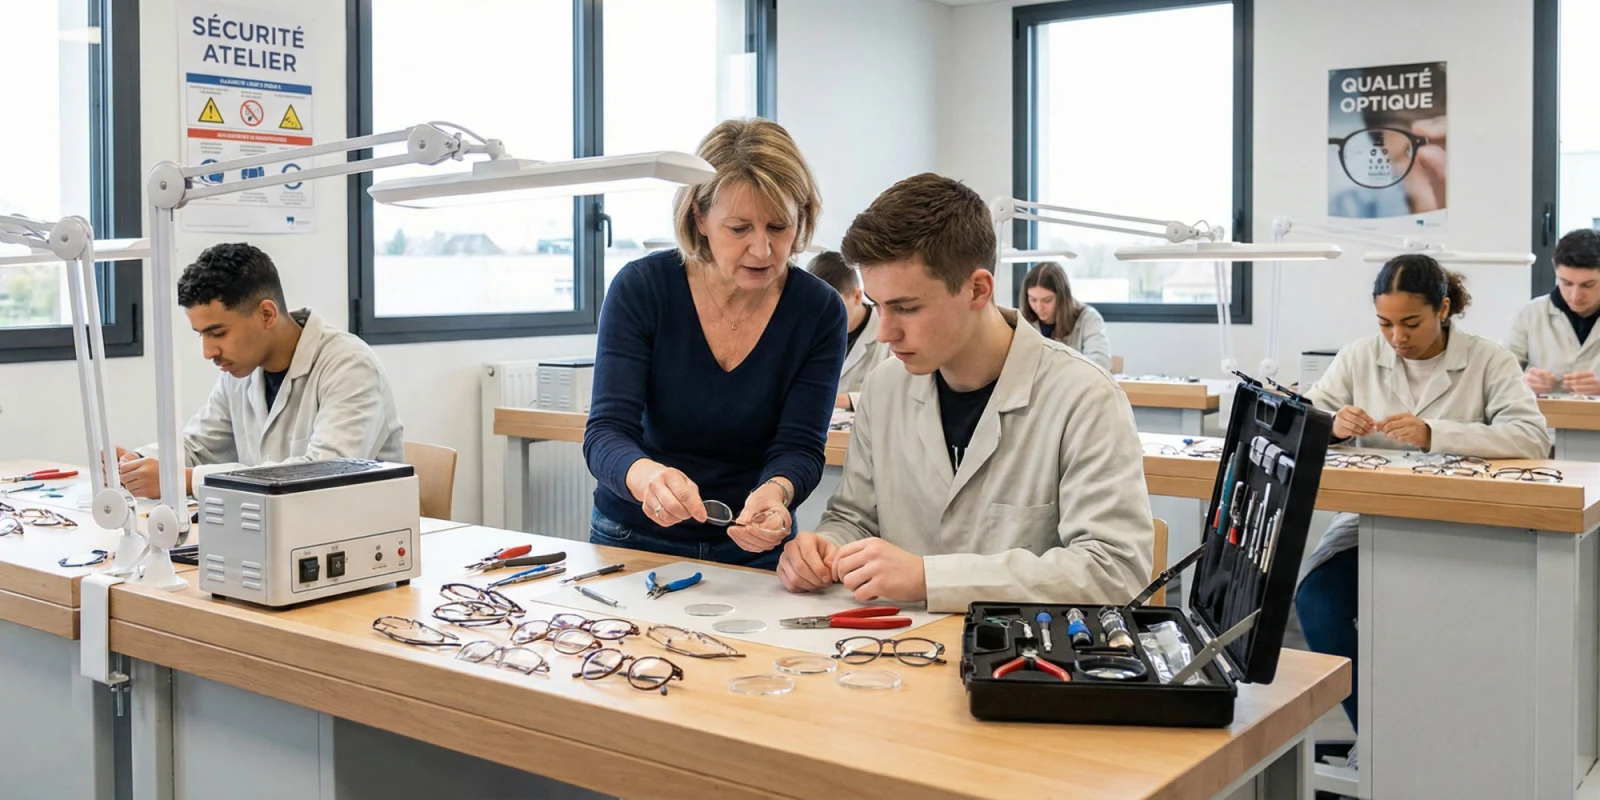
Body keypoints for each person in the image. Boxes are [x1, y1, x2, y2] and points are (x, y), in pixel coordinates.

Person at [775, 173, 1154, 612]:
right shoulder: (884, 389)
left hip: (1024, 661)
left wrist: (929, 578)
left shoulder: (1085, 398)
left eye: (907, 307)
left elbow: (1114, 571)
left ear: (978, 289)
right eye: (879, 306)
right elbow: (854, 517)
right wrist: (823, 549)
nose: (885, 333)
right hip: (893, 652)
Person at [1297, 253, 1549, 731]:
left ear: (1444, 308)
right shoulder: (1358, 356)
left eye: (1411, 323)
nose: (1397, 338)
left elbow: (1531, 437)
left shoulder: (1488, 359)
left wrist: (1435, 433)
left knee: (1444, 625)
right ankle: (1377, 734)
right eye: (1385, 323)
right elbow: (1304, 421)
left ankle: (1444, 735)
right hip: (1371, 522)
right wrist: (1333, 426)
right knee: (1318, 604)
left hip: (1463, 526)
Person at [583, 118, 846, 569]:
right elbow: (606, 432)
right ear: (699, 217)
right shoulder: (642, 289)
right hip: (634, 535)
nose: (762, 250)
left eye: (779, 228)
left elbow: (800, 447)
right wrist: (648, 478)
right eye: (739, 228)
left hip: (755, 547)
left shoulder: (818, 310)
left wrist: (777, 491)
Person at [117, 243, 404, 498]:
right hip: (278, 533)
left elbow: (325, 474)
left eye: (217, 332)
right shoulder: (240, 372)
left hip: (354, 538)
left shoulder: (350, 366)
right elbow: (199, 445)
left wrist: (188, 481)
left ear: (267, 314)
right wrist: (140, 462)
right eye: (200, 334)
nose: (208, 352)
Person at [1508, 228, 1600, 395]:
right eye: (1566, 283)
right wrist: (1524, 381)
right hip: (1545, 419)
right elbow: (1496, 375)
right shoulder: (1530, 314)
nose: (1575, 296)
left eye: (1588, 285)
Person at [806, 251, 890, 410]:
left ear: (857, 296)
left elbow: (899, 394)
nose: (822, 317)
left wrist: (846, 400)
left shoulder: (887, 334)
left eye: (831, 307)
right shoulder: (806, 333)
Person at [1018, 261, 1111, 370]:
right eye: (1033, 299)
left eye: (1047, 300)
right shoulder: (1021, 320)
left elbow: (1100, 363)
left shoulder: (1089, 319)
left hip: (1075, 385)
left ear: (1062, 297)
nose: (1039, 307)